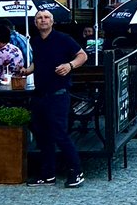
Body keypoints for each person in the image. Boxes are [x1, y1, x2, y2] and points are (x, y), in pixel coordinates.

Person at [19, 10, 88, 188]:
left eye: (46, 17)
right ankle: (48, 174)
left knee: (60, 134)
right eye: (39, 18)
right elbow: (39, 61)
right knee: (43, 136)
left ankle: (77, 171)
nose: (43, 20)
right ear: (35, 23)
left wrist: (69, 65)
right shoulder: (34, 41)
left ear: (52, 21)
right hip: (40, 94)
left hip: (58, 93)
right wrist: (27, 70)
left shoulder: (63, 39)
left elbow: (82, 55)